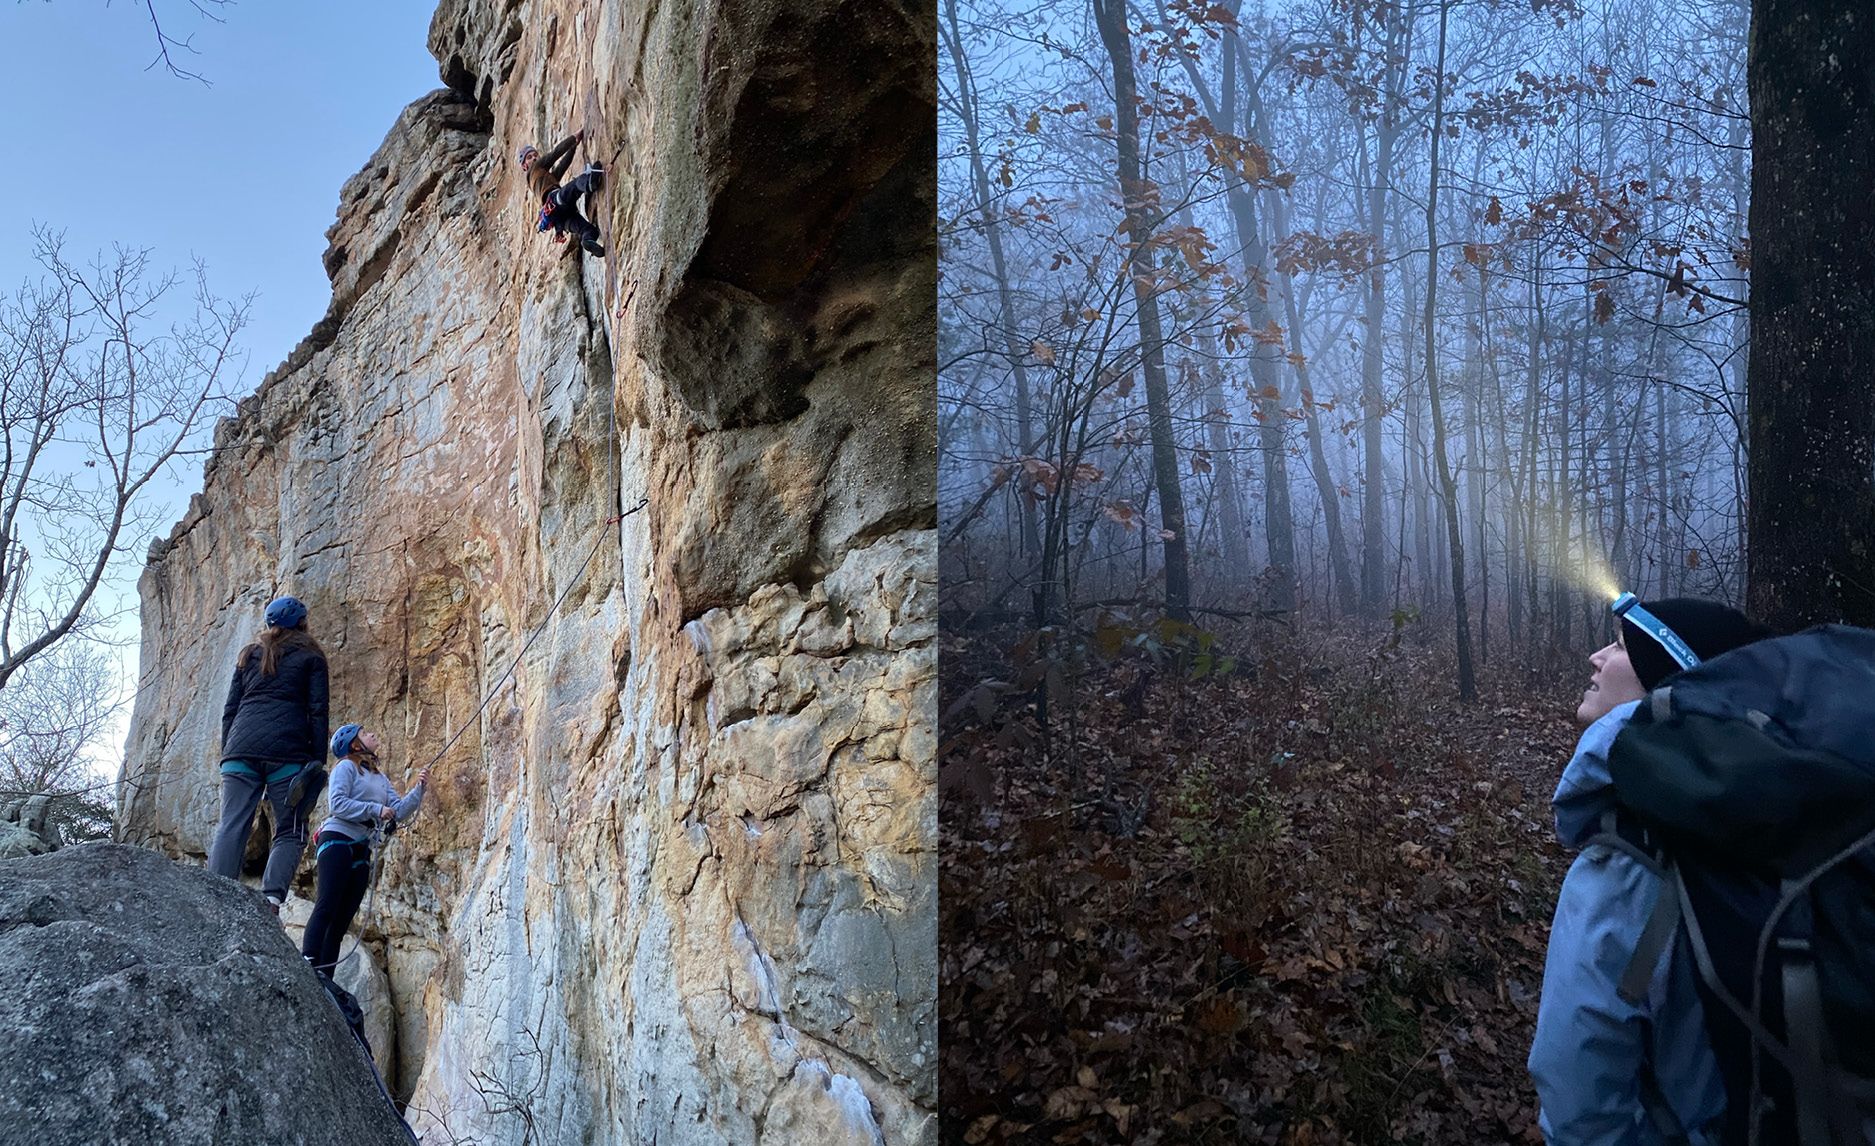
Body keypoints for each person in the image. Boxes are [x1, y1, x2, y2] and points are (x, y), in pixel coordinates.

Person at [1528, 596, 1771, 1144]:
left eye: (1618, 646)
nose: (1595, 657)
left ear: (1665, 683)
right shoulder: (1759, 821)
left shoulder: (1629, 860)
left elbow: (1579, 1106)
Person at [206, 595, 329, 912]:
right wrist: (317, 760)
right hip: (287, 754)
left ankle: (215, 895)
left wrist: (228, 750)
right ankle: (271, 900)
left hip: (239, 751)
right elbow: (317, 711)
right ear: (302, 623)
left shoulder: (248, 655)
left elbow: (230, 710)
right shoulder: (311, 657)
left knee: (232, 823)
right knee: (291, 828)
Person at [302, 724, 428, 980]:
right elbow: (337, 804)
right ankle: (308, 962)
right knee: (327, 904)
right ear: (355, 744)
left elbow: (398, 811)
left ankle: (325, 978)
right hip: (337, 838)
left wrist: (419, 790)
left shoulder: (380, 778)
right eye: (364, 733)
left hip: (361, 847)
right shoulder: (345, 767)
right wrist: (375, 810)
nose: (371, 734)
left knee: (342, 919)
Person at [518, 131, 606, 257]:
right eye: (529, 157)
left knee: (588, 230)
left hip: (559, 220)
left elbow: (562, 167)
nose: (534, 158)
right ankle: (590, 183)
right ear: (525, 166)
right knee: (577, 184)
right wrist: (573, 138)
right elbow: (555, 153)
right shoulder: (536, 167)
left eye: (535, 155)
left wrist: (573, 147)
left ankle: (588, 240)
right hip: (555, 200)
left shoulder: (538, 180)